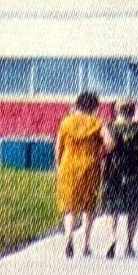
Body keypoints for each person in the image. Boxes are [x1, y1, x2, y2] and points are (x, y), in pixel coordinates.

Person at [54, 91, 113, 257]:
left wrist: (58, 164)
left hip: (68, 166)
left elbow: (58, 146)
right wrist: (100, 153)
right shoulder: (97, 123)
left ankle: (69, 237)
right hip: (90, 166)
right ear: (94, 107)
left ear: (77, 105)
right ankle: (86, 245)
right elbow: (110, 142)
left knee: (70, 206)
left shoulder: (66, 122)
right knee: (88, 207)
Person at [97, 99, 138, 259]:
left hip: (113, 171)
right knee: (133, 209)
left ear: (116, 110)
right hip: (135, 172)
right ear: (133, 110)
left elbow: (108, 146)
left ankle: (112, 237)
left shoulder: (109, 127)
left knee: (111, 208)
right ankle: (129, 245)